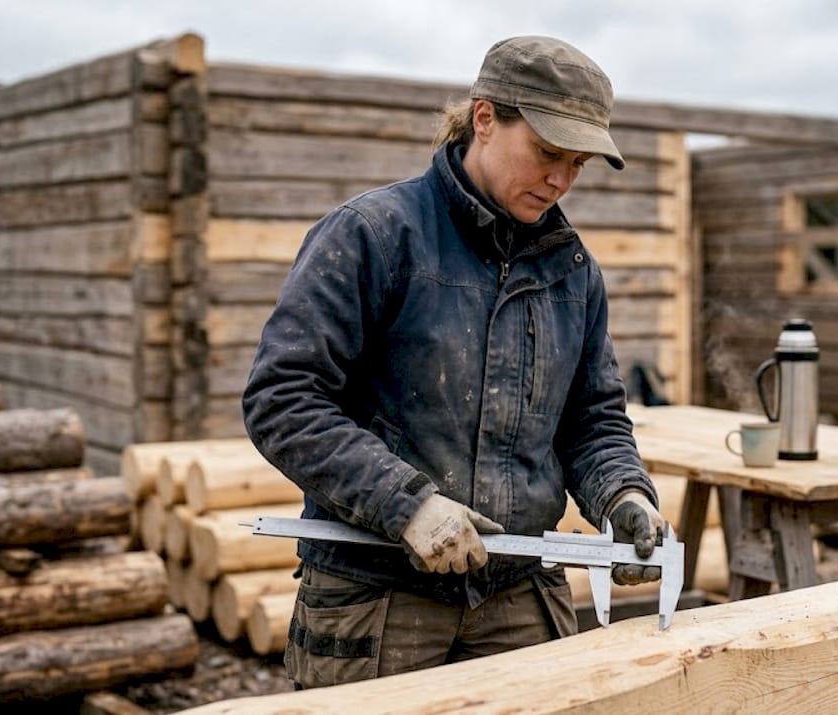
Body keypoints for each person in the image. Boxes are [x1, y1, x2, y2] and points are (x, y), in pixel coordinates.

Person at [241, 35, 664, 690]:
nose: (561, 179)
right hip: (377, 598)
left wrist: (624, 494)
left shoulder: (572, 272)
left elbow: (593, 420)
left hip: (519, 594)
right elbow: (283, 399)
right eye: (548, 152)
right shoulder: (373, 235)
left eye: (577, 162)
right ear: (486, 118)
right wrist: (405, 503)